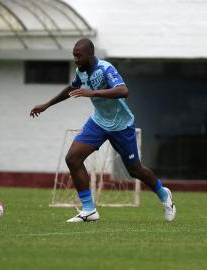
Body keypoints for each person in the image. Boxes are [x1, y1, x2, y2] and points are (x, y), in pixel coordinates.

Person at [29, 38, 176, 223]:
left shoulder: (106, 68)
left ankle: (164, 194)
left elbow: (123, 91)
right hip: (98, 122)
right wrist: (47, 104)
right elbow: (72, 88)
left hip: (121, 125)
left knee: (135, 170)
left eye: (79, 55)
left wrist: (93, 93)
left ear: (90, 54)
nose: (75, 59)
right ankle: (89, 210)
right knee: (72, 159)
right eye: (74, 55)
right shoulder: (80, 71)